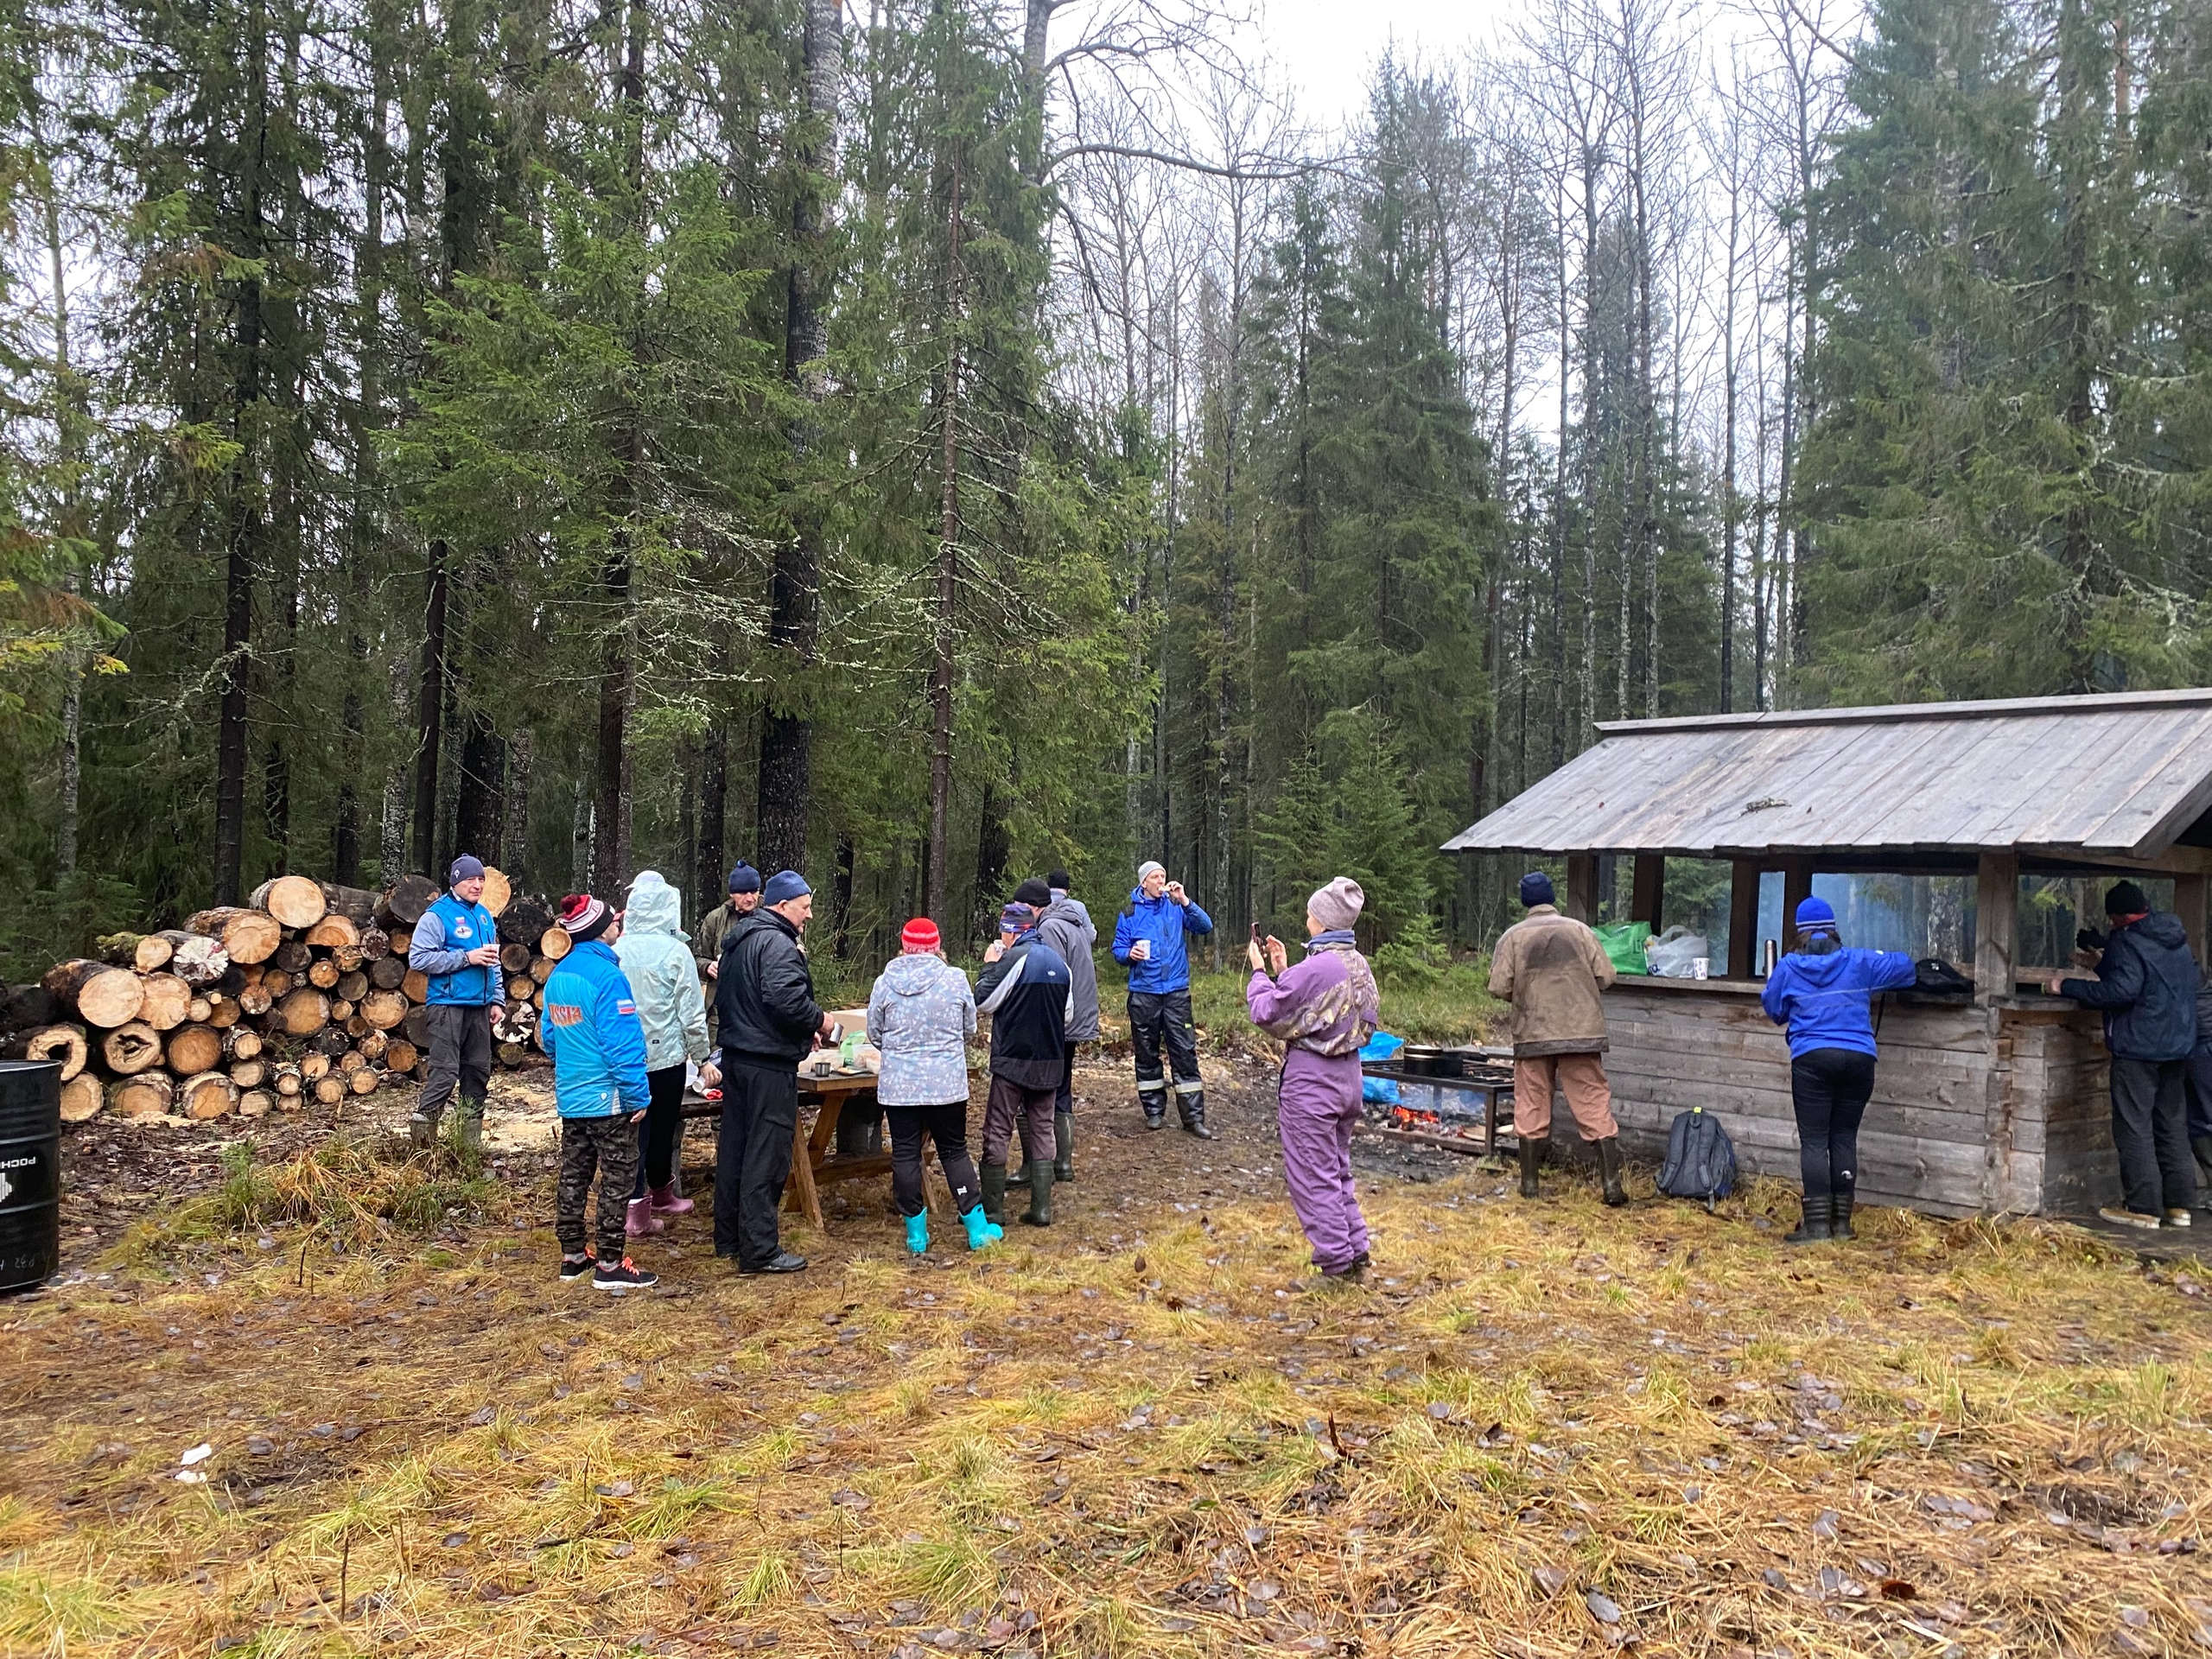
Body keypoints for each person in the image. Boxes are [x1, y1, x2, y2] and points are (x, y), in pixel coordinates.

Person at [1759, 896, 1916, 1243]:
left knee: (1815, 1142)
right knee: (1844, 1137)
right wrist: (1876, 966)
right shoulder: (1859, 962)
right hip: (1860, 1058)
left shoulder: (1788, 967)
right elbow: (1907, 967)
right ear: (1833, 928)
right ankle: (1842, 1226)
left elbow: (1773, 1009)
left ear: (1799, 932)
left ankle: (1816, 1229)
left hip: (1813, 1058)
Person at [1246, 877, 1382, 1281]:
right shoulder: (1357, 963)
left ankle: (1336, 1265)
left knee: (1313, 1174)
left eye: (1310, 913)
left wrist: (1259, 973)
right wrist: (1286, 971)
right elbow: (1317, 1005)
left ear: (1322, 921)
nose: (1307, 919)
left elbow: (1270, 1013)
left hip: (1313, 1084)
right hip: (1349, 1077)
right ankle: (1356, 1251)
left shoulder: (1318, 968)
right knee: (1337, 1169)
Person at [2048, 881, 2201, 1230]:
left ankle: (2144, 1208)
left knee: (2134, 1126)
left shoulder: (2127, 938)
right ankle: (2180, 1207)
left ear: (2117, 916)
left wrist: (2066, 986)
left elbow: (2123, 990)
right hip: (2177, 1045)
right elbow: (2152, 980)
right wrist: (2103, 964)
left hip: (2139, 1047)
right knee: (2171, 1125)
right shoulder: (2174, 935)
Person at [715, 868, 836, 1273]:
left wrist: (798, 1033)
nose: (809, 916)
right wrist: (820, 1022)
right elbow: (784, 1000)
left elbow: (751, 1003)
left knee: (736, 1149)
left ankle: (729, 1238)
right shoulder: (779, 944)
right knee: (766, 1155)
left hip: (737, 1057)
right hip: (766, 1067)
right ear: (783, 906)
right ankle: (760, 1249)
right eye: (805, 908)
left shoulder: (739, 941)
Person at [1487, 871, 1626, 1205]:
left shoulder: (1512, 937)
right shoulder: (1580, 931)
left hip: (1533, 1034)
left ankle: (1530, 1187)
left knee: (1532, 1104)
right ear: (1552, 898)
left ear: (1525, 901)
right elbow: (1606, 977)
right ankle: (1611, 1185)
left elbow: (1498, 987)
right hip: (1582, 1033)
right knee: (1592, 1102)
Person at [540, 893, 657, 1289]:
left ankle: (572, 1256)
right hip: (609, 1100)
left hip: (572, 1097)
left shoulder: (559, 976)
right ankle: (609, 1262)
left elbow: (550, 1039)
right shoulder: (608, 977)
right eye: (613, 920)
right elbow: (622, 1044)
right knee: (618, 1179)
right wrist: (638, 1094)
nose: (618, 925)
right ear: (599, 929)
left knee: (574, 1175)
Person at [867, 916, 999, 1255]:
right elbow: (969, 1028)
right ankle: (978, 1229)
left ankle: (916, 1235)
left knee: (905, 1153)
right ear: (937, 947)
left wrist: (900, 1052)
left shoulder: (885, 981)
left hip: (900, 1087)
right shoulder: (955, 979)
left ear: (904, 947)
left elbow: (874, 1033)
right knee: (953, 1150)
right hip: (946, 1085)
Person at [616, 871, 721, 1237]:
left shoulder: (617, 949)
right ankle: (641, 1209)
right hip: (666, 1059)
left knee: (633, 1131)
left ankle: (653, 1196)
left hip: (624, 1057)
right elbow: (692, 1012)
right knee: (660, 1129)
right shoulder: (677, 952)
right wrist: (703, 1058)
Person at [976, 895, 1074, 1227]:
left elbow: (984, 1001)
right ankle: (1041, 1208)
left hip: (1013, 1061)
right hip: (1050, 1060)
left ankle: (993, 1211)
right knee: (1043, 1127)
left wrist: (990, 965)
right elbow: (1068, 1014)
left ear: (1011, 931)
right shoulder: (1060, 964)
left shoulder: (1012, 959)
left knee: (998, 1129)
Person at [407, 854, 504, 1153]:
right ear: (455, 881)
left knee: (477, 1072)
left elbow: (493, 961)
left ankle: (468, 1150)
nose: (477, 885)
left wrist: (497, 999)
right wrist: (465, 958)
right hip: (447, 1004)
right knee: (446, 1072)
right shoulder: (437, 915)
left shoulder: (485, 915)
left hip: (480, 1005)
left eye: (481, 879)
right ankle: (423, 1149)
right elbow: (418, 958)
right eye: (470, 880)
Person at [1110, 861, 1214, 1135]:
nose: (1161, 880)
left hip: (1176, 992)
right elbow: (1118, 947)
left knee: (1185, 1053)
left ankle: (1193, 1119)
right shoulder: (1130, 912)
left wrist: (1185, 900)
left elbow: (1205, 926)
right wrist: (1128, 954)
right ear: (1144, 882)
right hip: (1144, 993)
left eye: (1163, 876)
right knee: (1146, 1054)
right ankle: (1154, 1111)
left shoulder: (1176, 905)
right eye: (1156, 877)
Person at [1033, 868, 1100, 1184]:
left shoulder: (1049, 927)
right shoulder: (1077, 919)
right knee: (1063, 1082)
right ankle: (1062, 1162)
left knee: (1047, 1085)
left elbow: (1052, 975)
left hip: (1059, 1018)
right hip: (1077, 1015)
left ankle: (1051, 1162)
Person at [695, 863, 761, 979]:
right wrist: (708, 967)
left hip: (762, 992)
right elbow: (698, 958)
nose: (750, 898)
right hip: (724, 992)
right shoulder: (715, 919)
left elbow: (797, 949)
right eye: (743, 893)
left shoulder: (773, 914)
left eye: (754, 891)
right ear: (731, 894)